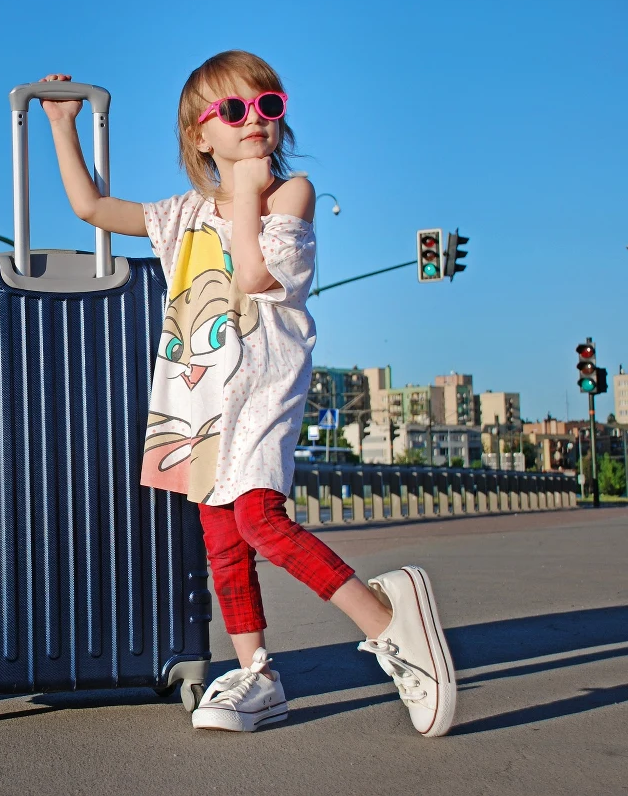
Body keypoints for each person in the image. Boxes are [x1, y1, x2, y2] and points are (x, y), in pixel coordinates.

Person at [39, 51, 456, 737]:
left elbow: (254, 276)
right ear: (202, 135)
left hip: (262, 387)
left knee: (260, 518)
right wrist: (62, 126)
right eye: (233, 111)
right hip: (198, 400)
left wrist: (245, 190)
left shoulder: (291, 195)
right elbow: (89, 206)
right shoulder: (180, 215)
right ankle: (258, 671)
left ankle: (391, 622)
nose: (254, 121)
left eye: (268, 107)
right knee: (222, 539)